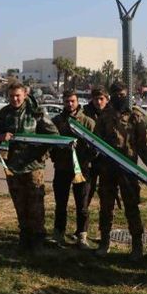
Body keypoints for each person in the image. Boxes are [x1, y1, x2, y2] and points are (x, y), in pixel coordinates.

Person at [0, 82, 59, 254]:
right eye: (11, 96)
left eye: (18, 96)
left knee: (35, 204)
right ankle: (24, 237)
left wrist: (43, 153)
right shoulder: (5, 112)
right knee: (20, 204)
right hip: (13, 166)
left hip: (33, 167)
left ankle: (38, 240)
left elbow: (54, 135)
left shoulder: (36, 112)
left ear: (25, 95)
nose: (14, 99)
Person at [93, 82, 147, 262]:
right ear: (110, 95)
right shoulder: (104, 116)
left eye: (122, 94)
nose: (119, 97)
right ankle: (104, 242)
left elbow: (142, 146)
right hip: (107, 169)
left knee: (132, 207)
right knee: (106, 206)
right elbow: (95, 141)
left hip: (128, 170)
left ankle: (137, 245)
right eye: (115, 94)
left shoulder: (136, 117)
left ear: (127, 95)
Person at [50, 90, 95, 249]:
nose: (70, 104)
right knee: (60, 204)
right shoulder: (56, 121)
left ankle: (82, 235)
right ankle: (58, 233)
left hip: (81, 170)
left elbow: (95, 147)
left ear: (77, 102)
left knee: (82, 205)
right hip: (61, 168)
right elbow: (51, 142)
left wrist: (85, 156)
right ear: (63, 101)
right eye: (67, 101)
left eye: (73, 101)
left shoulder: (88, 122)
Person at [82, 86, 109, 207]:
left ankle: (105, 225)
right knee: (85, 195)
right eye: (95, 99)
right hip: (89, 160)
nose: (98, 102)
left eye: (101, 99)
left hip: (107, 160)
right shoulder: (84, 114)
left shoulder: (113, 114)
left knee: (106, 196)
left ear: (107, 99)